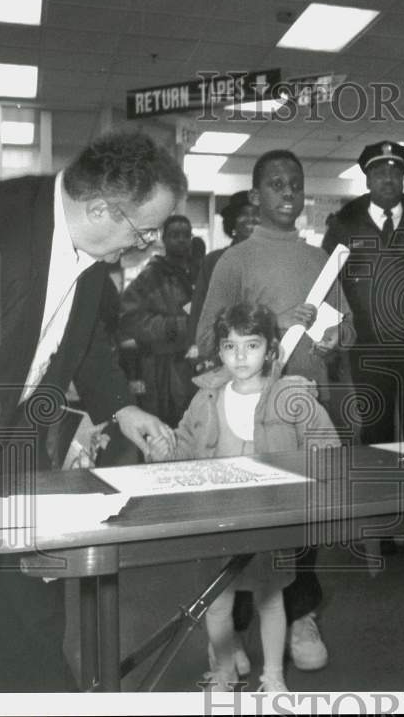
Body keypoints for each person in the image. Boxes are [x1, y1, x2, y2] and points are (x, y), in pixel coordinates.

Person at [0, 129, 186, 692]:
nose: (150, 244)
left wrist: (122, 409)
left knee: (29, 605)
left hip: (16, 454)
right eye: (145, 229)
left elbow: (84, 340)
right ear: (100, 207)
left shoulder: (89, 248)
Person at [195, 149, 355, 673]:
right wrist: (270, 324)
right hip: (248, 416)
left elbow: (347, 329)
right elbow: (205, 339)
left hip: (304, 412)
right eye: (276, 184)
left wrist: (333, 338)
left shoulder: (320, 260)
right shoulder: (234, 261)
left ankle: (299, 612)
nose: (288, 193)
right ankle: (234, 631)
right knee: (244, 522)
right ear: (257, 194)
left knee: (301, 518)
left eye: (295, 184)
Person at [146, 303, 339, 693]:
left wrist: (310, 480)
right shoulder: (206, 400)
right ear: (219, 351)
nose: (239, 357)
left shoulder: (291, 397)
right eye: (230, 347)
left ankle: (273, 677)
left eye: (251, 346)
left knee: (271, 602)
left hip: (269, 523)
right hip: (216, 522)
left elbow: (327, 447)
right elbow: (184, 447)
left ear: (271, 351)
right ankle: (224, 674)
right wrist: (163, 450)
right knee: (216, 604)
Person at [322, 140, 404, 444]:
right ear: (367, 179)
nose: (388, 179)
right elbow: (328, 283)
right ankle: (378, 490)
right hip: (367, 343)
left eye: (395, 171)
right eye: (379, 172)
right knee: (375, 430)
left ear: (403, 176)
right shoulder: (345, 222)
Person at [119, 214, 195, 427]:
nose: (181, 240)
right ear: (163, 239)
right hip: (162, 371)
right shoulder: (151, 276)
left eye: (185, 235)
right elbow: (129, 319)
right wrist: (173, 326)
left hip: (193, 366)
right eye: (174, 235)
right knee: (163, 430)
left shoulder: (197, 273)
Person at [187, 190, 258, 354]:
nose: (250, 220)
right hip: (220, 345)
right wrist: (194, 343)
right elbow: (199, 306)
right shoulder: (214, 260)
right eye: (243, 214)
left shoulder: (272, 260)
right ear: (232, 221)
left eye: (256, 214)